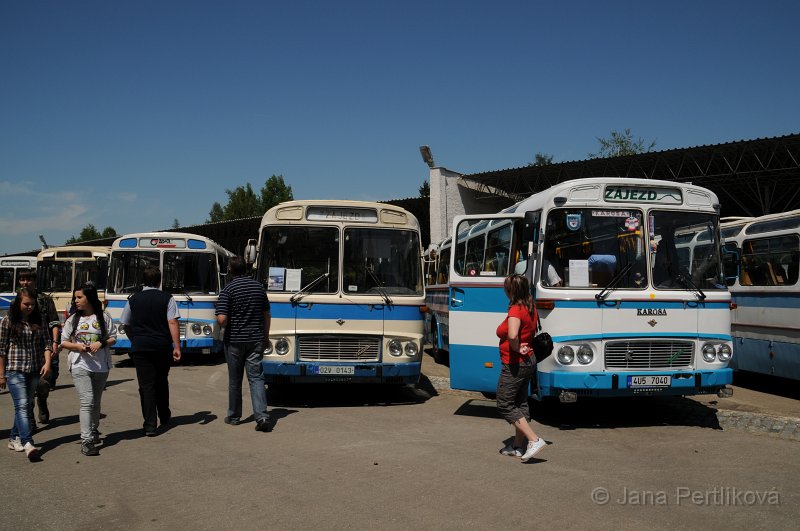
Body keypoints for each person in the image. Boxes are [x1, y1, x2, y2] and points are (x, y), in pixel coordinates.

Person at [119, 266, 181, 436]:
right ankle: (165, 414)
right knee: (161, 381)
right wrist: (176, 346)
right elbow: (173, 323)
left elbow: (125, 323)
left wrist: (134, 339)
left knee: (146, 386)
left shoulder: (133, 299)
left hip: (140, 348)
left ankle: (150, 424)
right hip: (162, 347)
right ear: (160, 280)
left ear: (143, 281)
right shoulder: (167, 298)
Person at [215, 256, 271, 432]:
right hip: (255, 340)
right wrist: (266, 336)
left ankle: (234, 416)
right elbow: (267, 315)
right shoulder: (258, 288)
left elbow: (222, 320)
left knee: (235, 380)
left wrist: (219, 312)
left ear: (231, 271)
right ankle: (261, 416)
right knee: (256, 378)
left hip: (234, 342)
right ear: (246, 269)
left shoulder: (228, 290)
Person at [495, 274, 547, 462]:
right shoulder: (529, 306)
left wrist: (517, 348)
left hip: (515, 363)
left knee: (504, 403)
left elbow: (512, 335)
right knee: (520, 402)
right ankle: (517, 446)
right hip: (528, 361)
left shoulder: (516, 310)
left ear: (511, 290)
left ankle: (533, 439)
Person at [60, 283, 116, 456]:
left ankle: (93, 430)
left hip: (100, 366)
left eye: (79, 297)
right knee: (87, 401)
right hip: (79, 365)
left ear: (89, 298)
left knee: (96, 402)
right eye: (75, 298)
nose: (76, 301)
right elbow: (63, 341)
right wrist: (78, 347)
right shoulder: (73, 319)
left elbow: (113, 337)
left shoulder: (104, 317)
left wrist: (101, 343)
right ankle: (86, 440)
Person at [0, 287, 52, 460]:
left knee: (25, 403)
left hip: (35, 369)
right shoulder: (7, 321)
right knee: (22, 405)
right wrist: (1, 374)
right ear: (18, 303)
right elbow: (1, 350)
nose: (29, 307)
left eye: (32, 304)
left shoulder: (40, 319)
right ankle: (27, 442)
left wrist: (47, 363)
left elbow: (47, 343)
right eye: (26, 304)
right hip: (15, 369)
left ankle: (13, 437)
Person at [18, 268, 60, 425]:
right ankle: (29, 420)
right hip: (23, 348)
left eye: (28, 279)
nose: (25, 282)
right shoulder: (17, 300)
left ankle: (42, 402)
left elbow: (54, 322)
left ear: (34, 281)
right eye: (22, 279)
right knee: (26, 388)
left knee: (42, 383)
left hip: (44, 347)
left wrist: (55, 342)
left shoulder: (44, 299)